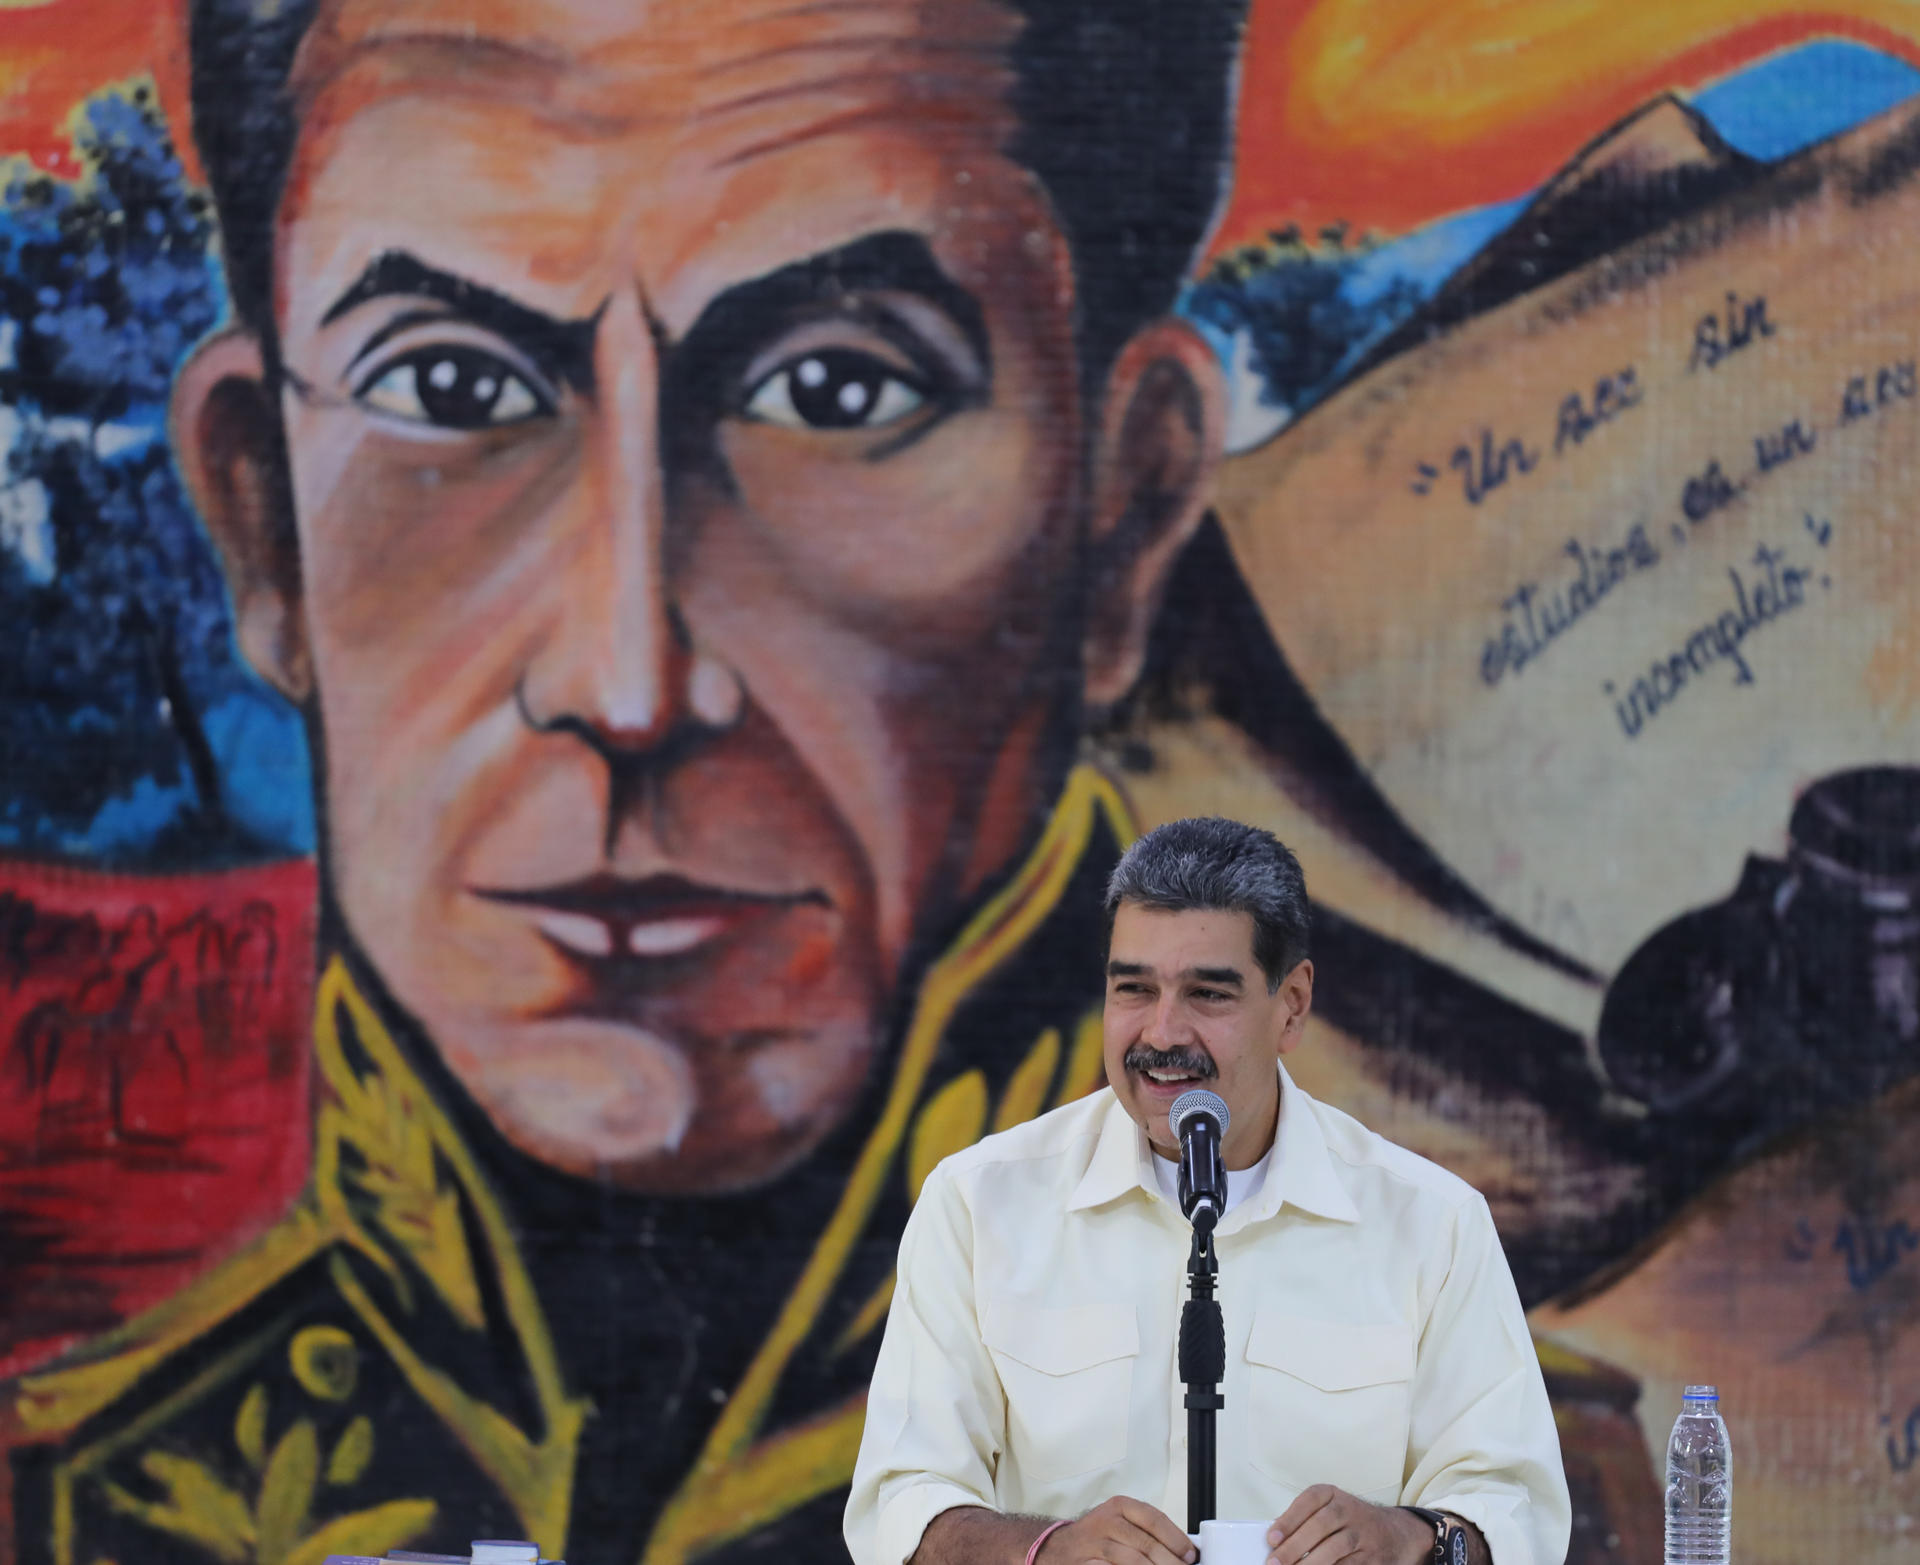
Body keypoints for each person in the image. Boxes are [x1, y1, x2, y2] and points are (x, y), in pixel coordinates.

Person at [4, 2, 1249, 1564]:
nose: (626, 681)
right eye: (451, 392)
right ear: (264, 526)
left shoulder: (1435, 1486)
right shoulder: (74, 1508)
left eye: (837, 393)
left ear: (1124, 518)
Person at [846, 818, 1571, 1565]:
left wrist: (1411, 1537)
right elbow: (901, 1504)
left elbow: (1517, 1510)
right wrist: (1048, 1551)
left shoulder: (1431, 1222)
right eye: (1133, 988)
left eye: (1207, 994)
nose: (1162, 1031)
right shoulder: (979, 1204)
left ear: (1292, 1003)